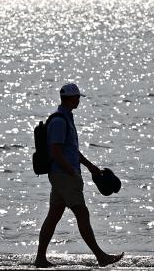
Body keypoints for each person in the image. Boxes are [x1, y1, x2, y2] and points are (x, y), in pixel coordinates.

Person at [34, 83, 123, 268]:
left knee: (53, 216)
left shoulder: (66, 118)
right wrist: (71, 171)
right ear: (71, 99)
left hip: (61, 175)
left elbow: (71, 150)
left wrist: (90, 166)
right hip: (64, 176)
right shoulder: (60, 121)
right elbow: (56, 151)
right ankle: (101, 257)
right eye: (78, 97)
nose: (79, 100)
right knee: (82, 212)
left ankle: (40, 259)